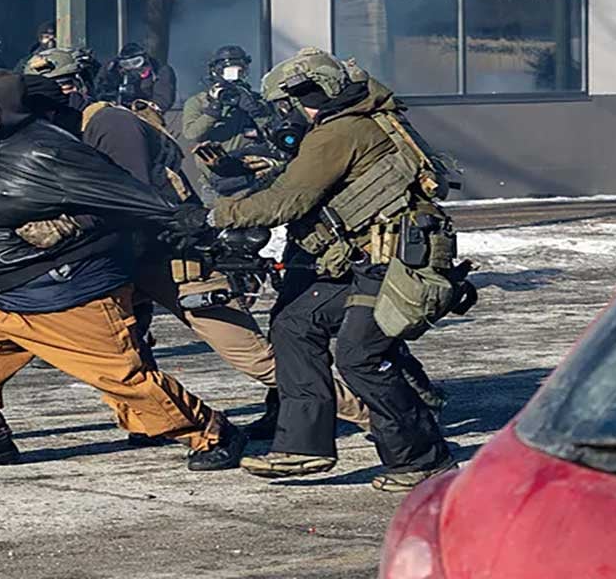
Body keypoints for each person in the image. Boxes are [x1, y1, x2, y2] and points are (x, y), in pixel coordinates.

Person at [0, 48, 370, 455]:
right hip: (67, 269)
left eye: (60, 85)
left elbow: (135, 196)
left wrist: (71, 222)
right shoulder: (17, 141)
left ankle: (372, 411)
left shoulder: (101, 125)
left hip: (153, 256)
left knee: (240, 355)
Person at [0, 68, 248, 470]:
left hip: (63, 290)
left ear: (2, 113)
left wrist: (191, 223)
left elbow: (124, 195)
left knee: (122, 379)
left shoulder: (46, 150)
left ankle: (212, 432)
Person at [209, 47, 457, 491]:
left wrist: (217, 213)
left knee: (361, 357)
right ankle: (303, 448)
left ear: (316, 94)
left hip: (394, 263)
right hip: (372, 260)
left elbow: (290, 200)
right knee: (293, 324)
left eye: (292, 101)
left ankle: (424, 460)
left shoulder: (338, 132)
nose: (289, 112)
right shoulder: (359, 120)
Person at [182, 45, 295, 199]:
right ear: (215, 71)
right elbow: (191, 134)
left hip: (252, 177)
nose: (234, 77)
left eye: (239, 71)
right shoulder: (198, 102)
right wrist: (213, 111)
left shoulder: (256, 101)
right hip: (215, 182)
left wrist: (255, 111)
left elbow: (276, 135)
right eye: (227, 71)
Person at [95, 42, 178, 121]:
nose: (132, 67)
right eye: (126, 64)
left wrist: (143, 107)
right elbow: (100, 89)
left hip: (147, 113)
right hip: (115, 111)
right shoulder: (112, 70)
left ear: (145, 59)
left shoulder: (159, 71)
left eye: (136, 62)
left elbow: (163, 100)